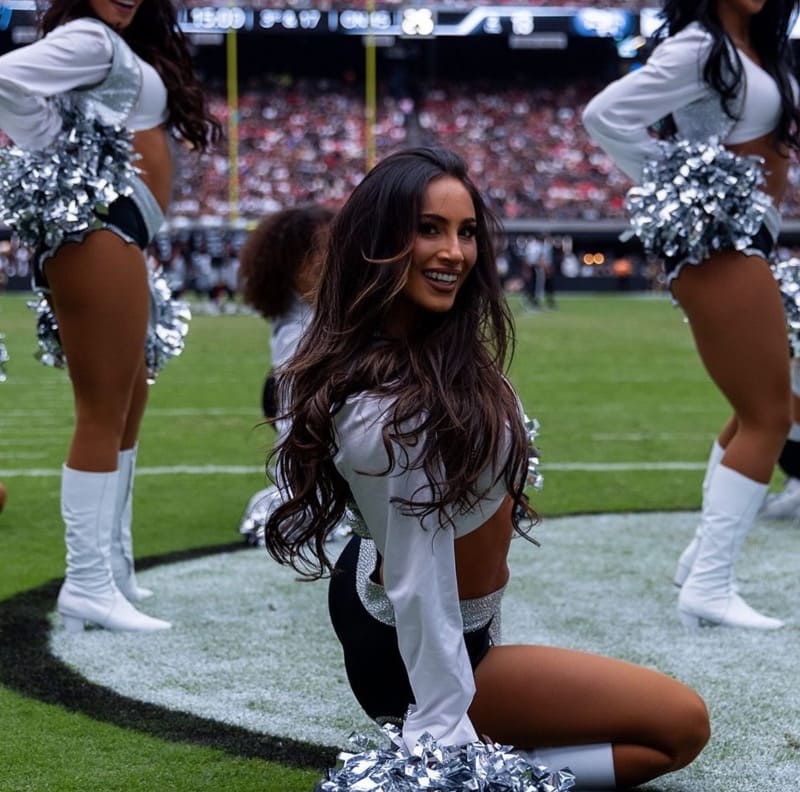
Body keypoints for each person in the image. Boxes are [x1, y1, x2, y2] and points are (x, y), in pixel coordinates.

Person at [264, 147, 709, 790]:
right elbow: (419, 577)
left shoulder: (428, 341)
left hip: (420, 603)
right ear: (377, 241)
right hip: (413, 648)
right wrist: (445, 738)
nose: (455, 252)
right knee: (678, 727)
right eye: (429, 229)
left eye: (466, 231)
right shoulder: (385, 412)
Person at [0, 0, 221, 632]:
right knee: (102, 412)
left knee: (126, 406)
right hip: (99, 231)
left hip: (121, 234)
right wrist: (56, 147)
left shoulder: (115, 45)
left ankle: (113, 570)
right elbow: (6, 78)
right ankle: (88, 585)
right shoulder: (91, 39)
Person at [583, 0, 800, 629]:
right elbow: (604, 116)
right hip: (719, 243)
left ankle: (700, 563)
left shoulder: (757, 46)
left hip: (750, 238)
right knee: (770, 416)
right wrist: (687, 186)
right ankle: (710, 585)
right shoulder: (700, 48)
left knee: (755, 408)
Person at [237, 205, 334, 545]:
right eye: (313, 251)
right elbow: (294, 426)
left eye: (330, 249)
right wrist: (297, 494)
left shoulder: (319, 312)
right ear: (287, 264)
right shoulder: (297, 332)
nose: (324, 260)